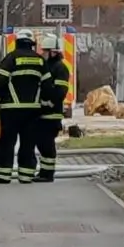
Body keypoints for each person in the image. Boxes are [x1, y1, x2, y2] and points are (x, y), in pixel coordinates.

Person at [0, 29, 48, 184]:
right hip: (33, 111)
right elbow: (48, 85)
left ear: (17, 42)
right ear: (32, 45)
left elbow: (0, 81)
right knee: (28, 143)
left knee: (6, 143)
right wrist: (45, 103)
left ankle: (3, 176)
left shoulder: (11, 59)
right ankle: (26, 175)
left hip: (11, 110)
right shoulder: (40, 60)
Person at [35, 32, 71, 182]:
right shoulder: (48, 66)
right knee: (42, 144)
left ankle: (47, 174)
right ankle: (44, 172)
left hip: (52, 114)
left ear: (53, 52)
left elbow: (60, 91)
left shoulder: (60, 68)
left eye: (45, 51)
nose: (42, 53)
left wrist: (49, 103)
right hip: (42, 114)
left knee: (47, 144)